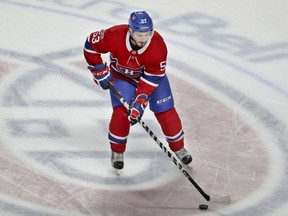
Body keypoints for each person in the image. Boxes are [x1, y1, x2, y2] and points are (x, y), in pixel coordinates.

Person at [84, 11, 192, 170]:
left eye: (147, 34)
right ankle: (117, 151)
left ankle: (178, 147)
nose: (142, 39)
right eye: (138, 34)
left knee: (166, 111)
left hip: (151, 80)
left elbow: (153, 77)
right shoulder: (114, 35)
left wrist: (140, 102)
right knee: (121, 112)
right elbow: (90, 45)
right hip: (122, 78)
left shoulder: (158, 46)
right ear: (130, 30)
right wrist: (98, 70)